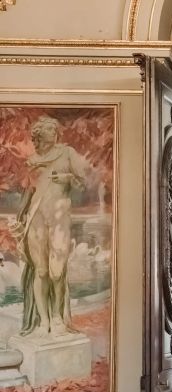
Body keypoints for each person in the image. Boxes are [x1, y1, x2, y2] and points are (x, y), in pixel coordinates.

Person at [12, 116, 88, 337]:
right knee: (41, 270)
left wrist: (66, 178)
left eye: (46, 140)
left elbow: (82, 184)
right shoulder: (32, 161)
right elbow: (28, 191)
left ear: (55, 137)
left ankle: (58, 316)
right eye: (39, 141)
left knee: (56, 272)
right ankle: (44, 321)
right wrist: (20, 216)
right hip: (35, 218)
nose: (41, 145)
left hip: (59, 217)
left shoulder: (67, 153)